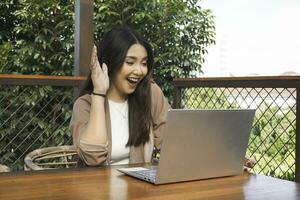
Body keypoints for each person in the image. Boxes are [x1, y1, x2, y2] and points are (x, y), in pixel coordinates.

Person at [69, 26, 171, 167]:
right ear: (110, 63)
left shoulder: (151, 94)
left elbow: (172, 143)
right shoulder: (85, 105)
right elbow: (93, 158)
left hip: (139, 187)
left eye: (144, 63)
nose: (139, 71)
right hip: (96, 187)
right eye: (130, 62)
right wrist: (99, 93)